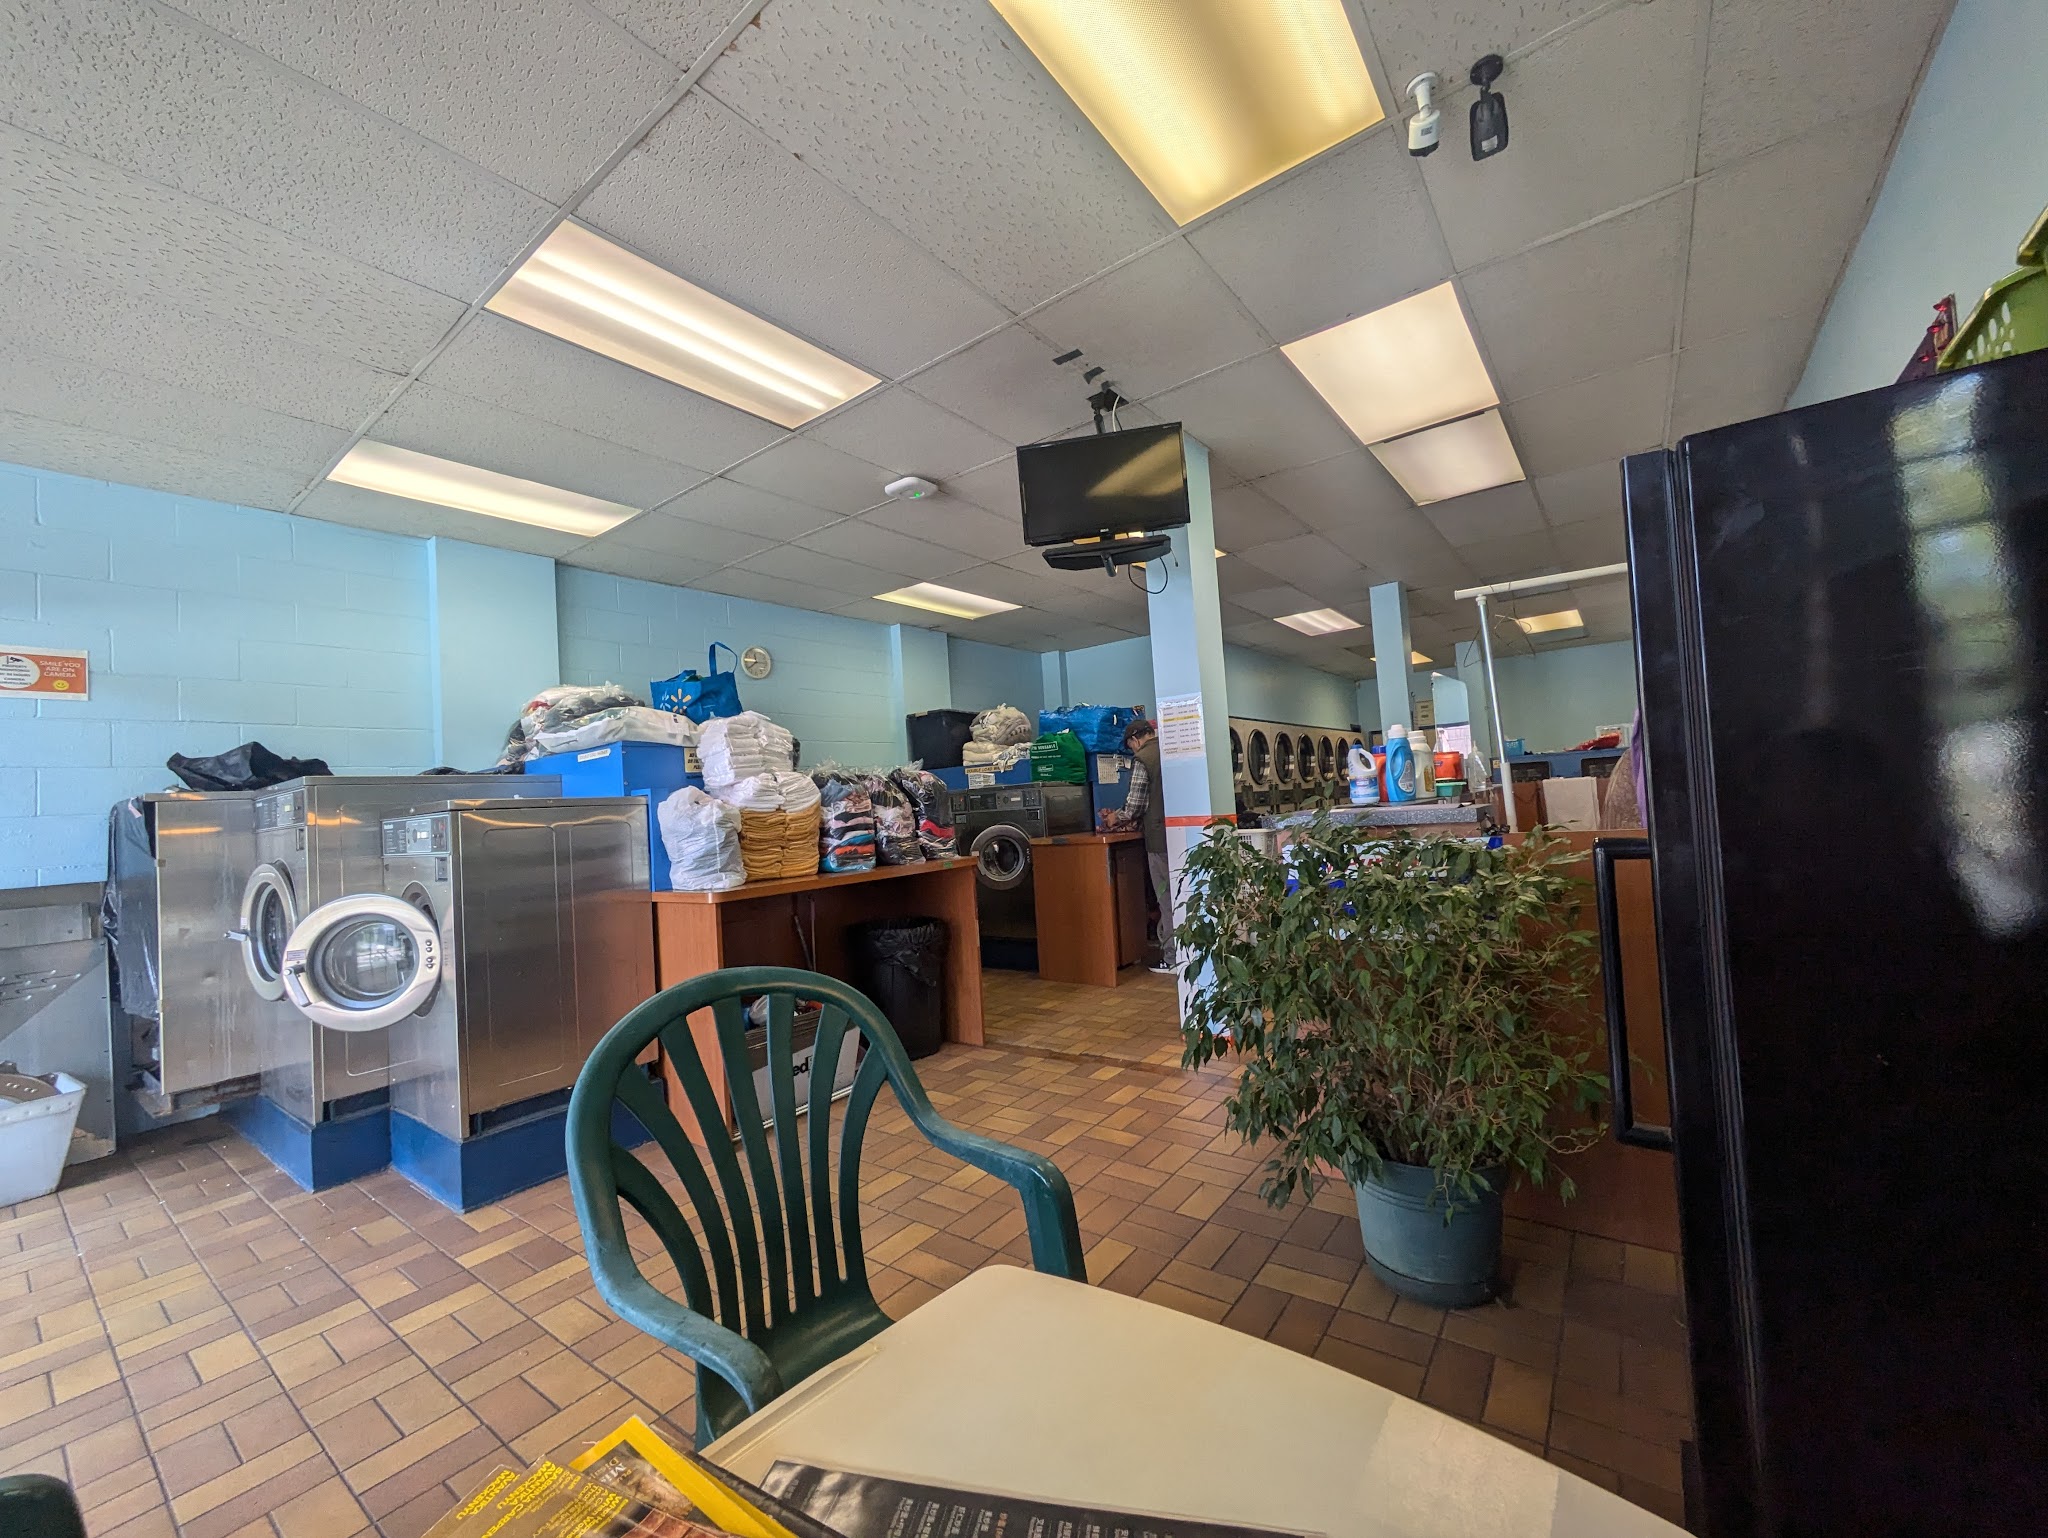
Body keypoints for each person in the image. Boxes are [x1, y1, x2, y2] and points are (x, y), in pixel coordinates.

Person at [1108, 716, 1175, 972]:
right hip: (1182, 833)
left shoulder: (1143, 759)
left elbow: (1135, 805)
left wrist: (1116, 817)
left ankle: (1172, 959)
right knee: (1183, 895)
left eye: (1130, 745)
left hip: (1160, 839)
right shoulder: (1169, 749)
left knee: (1168, 899)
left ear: (1135, 740)